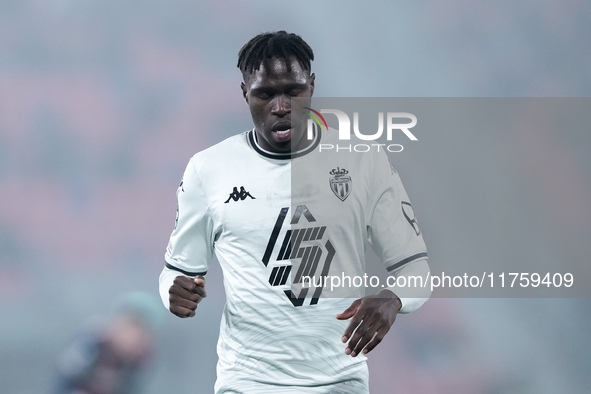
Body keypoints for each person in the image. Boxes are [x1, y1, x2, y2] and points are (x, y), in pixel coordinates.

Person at [159, 31, 430, 393]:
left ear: (312, 87)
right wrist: (172, 292)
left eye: (293, 90)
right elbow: (178, 272)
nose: (281, 106)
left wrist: (394, 299)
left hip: (338, 381)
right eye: (265, 94)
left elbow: (416, 270)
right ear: (245, 94)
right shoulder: (209, 169)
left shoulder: (364, 161)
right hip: (248, 381)